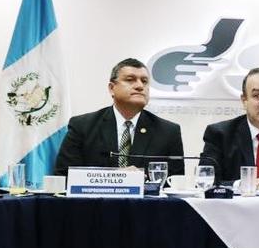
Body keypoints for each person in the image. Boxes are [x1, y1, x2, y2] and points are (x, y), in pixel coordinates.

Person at [54, 58, 185, 176]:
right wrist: (115, 177)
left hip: (146, 203)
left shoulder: (168, 132)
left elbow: (175, 183)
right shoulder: (83, 126)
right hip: (95, 202)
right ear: (112, 88)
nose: (140, 86)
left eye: (144, 81)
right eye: (130, 80)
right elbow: (64, 175)